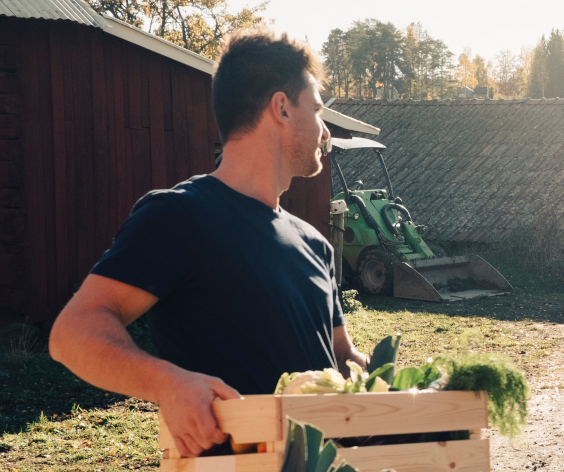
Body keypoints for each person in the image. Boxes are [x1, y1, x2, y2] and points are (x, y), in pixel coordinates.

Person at [47, 29, 368, 458]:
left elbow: (340, 356)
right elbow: (72, 334)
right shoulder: (179, 216)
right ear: (282, 108)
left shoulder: (314, 243)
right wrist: (167, 382)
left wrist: (413, 388)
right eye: (318, 110)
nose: (326, 132)